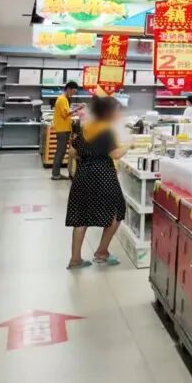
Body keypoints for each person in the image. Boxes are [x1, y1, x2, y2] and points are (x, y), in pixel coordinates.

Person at [66, 96, 128, 269]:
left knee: (81, 216)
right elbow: (115, 154)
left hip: (83, 175)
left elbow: (72, 153)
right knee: (117, 210)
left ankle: (75, 259)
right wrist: (130, 144)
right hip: (103, 175)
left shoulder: (85, 127)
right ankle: (101, 252)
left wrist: (87, 156)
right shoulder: (107, 130)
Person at [50, 81, 80, 180]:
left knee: (61, 152)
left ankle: (57, 173)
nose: (73, 94)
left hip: (64, 128)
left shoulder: (65, 99)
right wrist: (78, 108)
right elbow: (65, 114)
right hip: (62, 130)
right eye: (73, 92)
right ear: (68, 89)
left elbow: (67, 114)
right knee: (60, 152)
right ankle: (55, 174)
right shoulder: (62, 99)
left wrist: (75, 115)